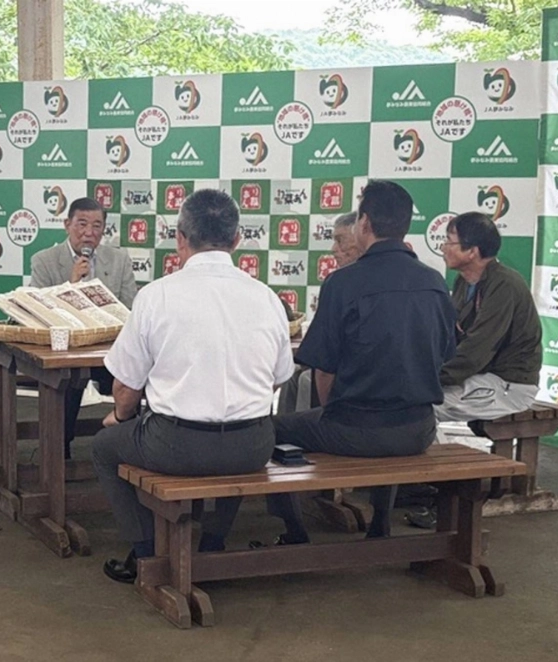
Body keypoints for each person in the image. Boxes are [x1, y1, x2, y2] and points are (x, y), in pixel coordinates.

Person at [91, 189, 295, 583]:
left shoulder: (156, 296)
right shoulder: (267, 298)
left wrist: (119, 418)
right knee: (231, 449)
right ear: (236, 240)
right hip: (252, 444)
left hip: (176, 445)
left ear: (180, 239)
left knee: (102, 448)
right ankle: (213, 544)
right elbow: (279, 376)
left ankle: (146, 553)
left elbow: (126, 388)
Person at [268, 180, 456, 541]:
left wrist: (332, 415)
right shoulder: (434, 282)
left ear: (364, 223)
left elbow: (324, 369)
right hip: (418, 429)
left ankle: (294, 529)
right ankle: (380, 523)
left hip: (356, 430)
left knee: (271, 429)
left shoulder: (343, 283)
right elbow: (445, 355)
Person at [29, 197, 138, 459]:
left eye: (97, 226)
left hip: (109, 352)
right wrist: (71, 283)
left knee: (137, 379)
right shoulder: (44, 260)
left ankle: (131, 447)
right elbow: (38, 311)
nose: (89, 233)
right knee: (67, 383)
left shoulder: (119, 259)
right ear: (67, 224)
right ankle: (58, 452)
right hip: (63, 353)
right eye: (82, 224)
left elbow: (130, 309)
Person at [436, 212, 542, 422]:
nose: (443, 248)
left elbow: (477, 350)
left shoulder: (504, 285)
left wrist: (429, 379)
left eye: (449, 242)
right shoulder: (463, 282)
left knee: (422, 409)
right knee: (413, 405)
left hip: (509, 385)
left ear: (472, 252)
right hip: (478, 378)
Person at [277, 211, 361, 415]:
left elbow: (324, 362)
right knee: (292, 376)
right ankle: (282, 434)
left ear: (361, 239)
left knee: (306, 378)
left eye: (341, 241)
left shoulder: (341, 283)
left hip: (357, 382)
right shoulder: (339, 281)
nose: (334, 250)